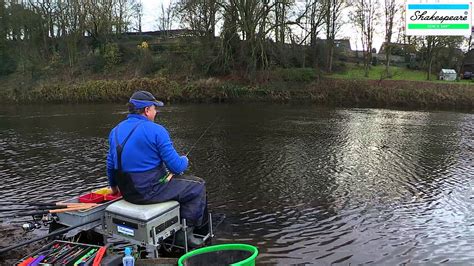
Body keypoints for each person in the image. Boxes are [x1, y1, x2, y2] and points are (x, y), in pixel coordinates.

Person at [106, 90, 206, 247]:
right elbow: (176, 166)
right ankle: (185, 235)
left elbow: (111, 165)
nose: (156, 112)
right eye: (154, 108)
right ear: (146, 110)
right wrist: (185, 160)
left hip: (127, 192)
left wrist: (114, 189)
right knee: (197, 186)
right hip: (148, 191)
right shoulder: (156, 130)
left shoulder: (115, 131)